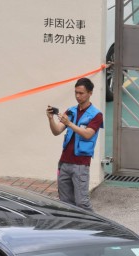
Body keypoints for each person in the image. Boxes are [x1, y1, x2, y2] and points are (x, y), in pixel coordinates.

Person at [46, 78, 103, 210]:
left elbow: (88, 134)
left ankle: (94, 225)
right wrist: (50, 119)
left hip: (81, 164)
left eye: (81, 93)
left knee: (82, 202)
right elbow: (57, 131)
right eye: (76, 93)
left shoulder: (96, 115)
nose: (78, 96)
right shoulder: (70, 111)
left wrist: (70, 124)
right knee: (65, 203)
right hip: (64, 162)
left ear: (90, 93)